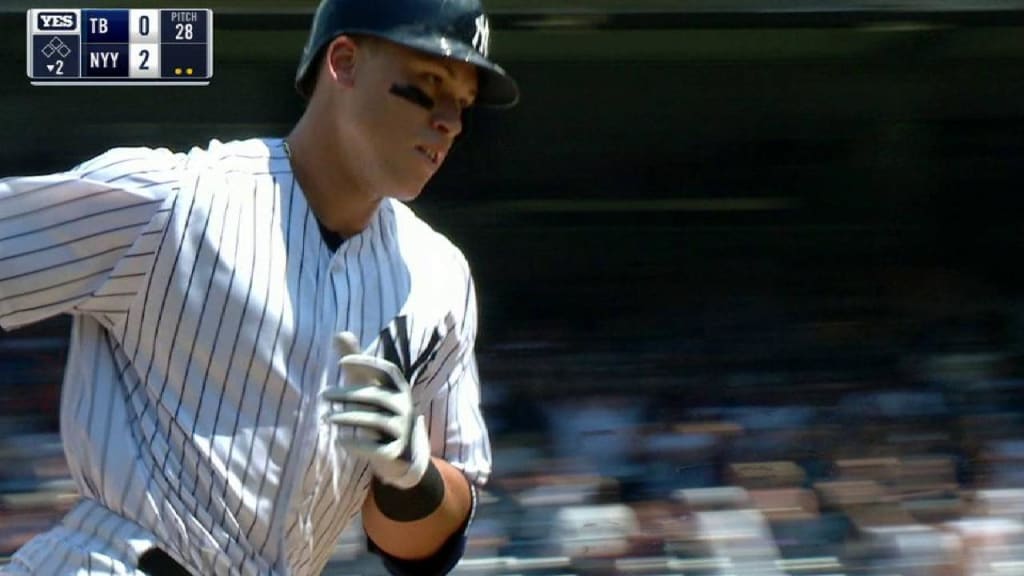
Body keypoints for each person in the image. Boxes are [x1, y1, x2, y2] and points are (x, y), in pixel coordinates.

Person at [0, 0, 518, 573]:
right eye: (430, 82)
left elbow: (420, 547)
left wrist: (412, 476)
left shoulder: (439, 279)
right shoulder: (176, 200)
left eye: (464, 102)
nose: (450, 120)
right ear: (343, 62)